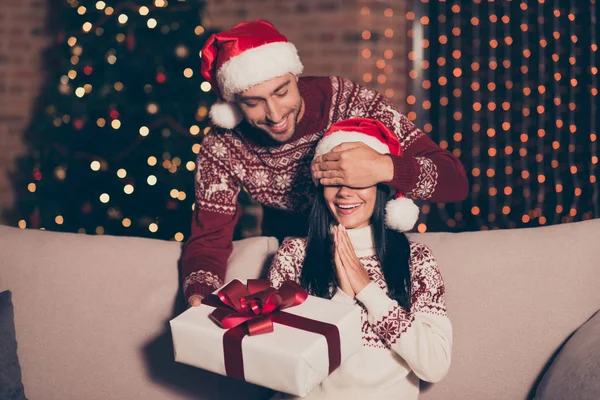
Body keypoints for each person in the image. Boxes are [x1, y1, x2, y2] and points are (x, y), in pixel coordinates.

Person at [182, 19, 468, 306]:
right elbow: (209, 240)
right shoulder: (223, 144)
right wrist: (199, 295)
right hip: (293, 269)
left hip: (372, 255)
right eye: (253, 102)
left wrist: (385, 167)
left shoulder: (350, 103)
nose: (274, 113)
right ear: (233, 105)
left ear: (295, 76)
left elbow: (455, 181)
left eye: (281, 92)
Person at [267, 118, 451, 399]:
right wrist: (343, 296)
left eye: (357, 181)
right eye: (333, 181)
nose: (344, 192)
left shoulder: (416, 259)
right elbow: (284, 364)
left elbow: (435, 365)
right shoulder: (293, 254)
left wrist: (368, 291)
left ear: (381, 187)